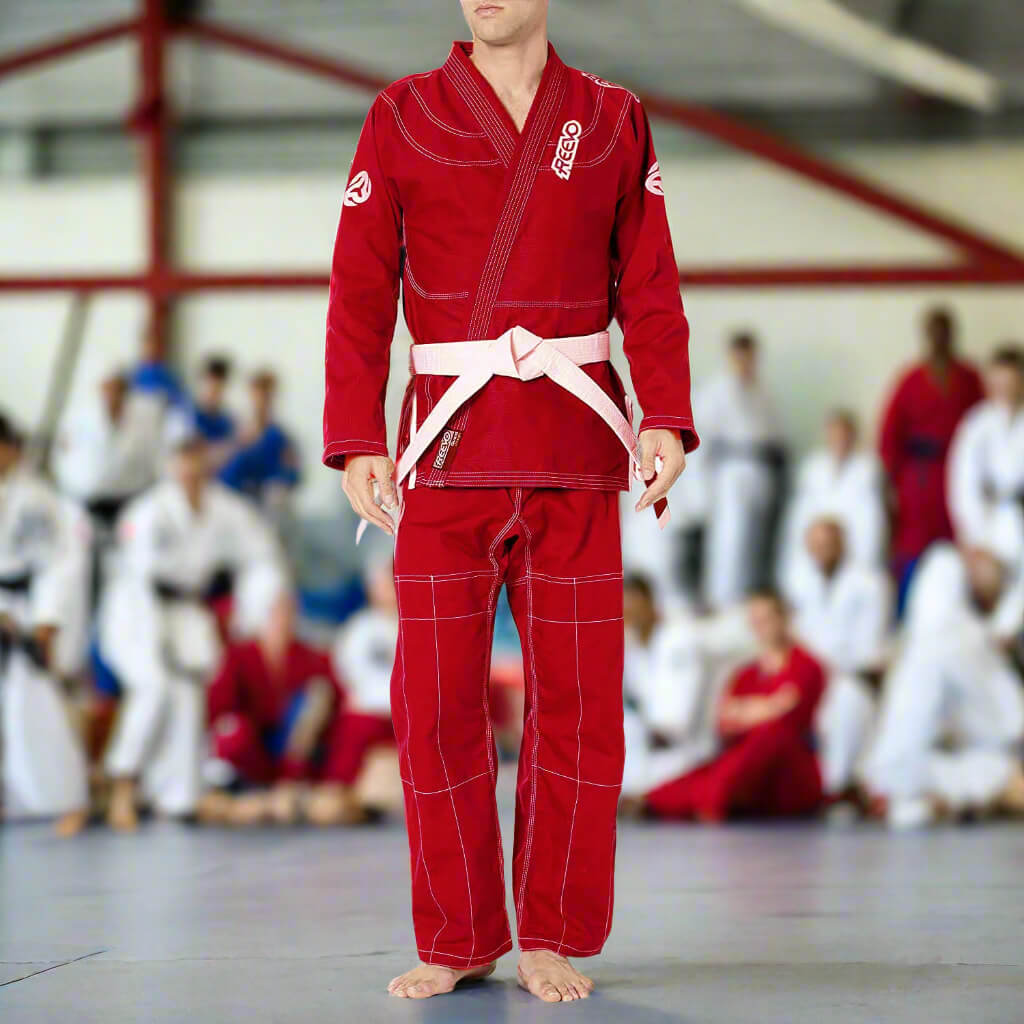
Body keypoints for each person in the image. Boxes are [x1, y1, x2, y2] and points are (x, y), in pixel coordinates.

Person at [324, 0, 696, 1002]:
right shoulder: (401, 114)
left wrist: (663, 410)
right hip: (443, 449)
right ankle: (458, 933)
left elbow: (649, 282)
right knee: (435, 705)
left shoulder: (613, 117)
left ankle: (551, 933)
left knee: (576, 708)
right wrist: (356, 433)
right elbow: (359, 287)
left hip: (574, 447)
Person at [98, 435, 283, 831]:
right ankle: (122, 783)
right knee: (154, 685)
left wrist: (251, 609)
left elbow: (263, 556)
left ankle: (176, 796)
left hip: (185, 610)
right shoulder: (147, 512)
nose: (189, 468)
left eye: (196, 458)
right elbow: (135, 578)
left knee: (188, 696)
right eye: (181, 459)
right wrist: (155, 643)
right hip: (135, 612)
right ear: (170, 464)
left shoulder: (225, 508)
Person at [863, 545, 1024, 828]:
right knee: (1004, 772)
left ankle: (925, 802)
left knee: (914, 804)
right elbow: (1010, 726)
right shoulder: (964, 639)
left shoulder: (912, 643)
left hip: (883, 771)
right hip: (910, 769)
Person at [644, 590, 826, 821]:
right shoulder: (746, 674)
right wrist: (768, 706)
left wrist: (746, 711)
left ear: (784, 618)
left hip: (788, 776)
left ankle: (711, 800)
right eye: (755, 620)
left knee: (768, 737)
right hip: (749, 775)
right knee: (709, 770)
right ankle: (652, 800)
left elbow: (787, 718)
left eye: (766, 619)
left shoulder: (807, 665)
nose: (760, 627)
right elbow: (725, 722)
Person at [204, 583, 362, 827]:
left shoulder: (312, 657)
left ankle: (290, 789)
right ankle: (259, 794)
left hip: (298, 754)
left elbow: (340, 702)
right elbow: (218, 707)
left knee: (318, 696)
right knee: (231, 729)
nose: (282, 618)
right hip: (254, 752)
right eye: (274, 611)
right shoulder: (238, 655)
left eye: (287, 610)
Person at [0, 412, 89, 836]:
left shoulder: (36, 499)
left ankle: (67, 798)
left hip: (23, 610)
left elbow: (58, 565)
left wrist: (45, 622)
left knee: (34, 704)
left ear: (12, 449)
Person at [879, 307, 984, 605]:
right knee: (914, 544)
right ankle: (906, 610)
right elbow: (889, 435)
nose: (939, 337)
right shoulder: (910, 378)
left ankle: (959, 608)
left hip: (960, 474)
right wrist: (893, 481)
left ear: (953, 334)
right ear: (925, 335)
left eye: (945, 330)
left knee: (960, 539)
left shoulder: (970, 377)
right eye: (933, 331)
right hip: (920, 478)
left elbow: (983, 424)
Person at [621, 574, 752, 800]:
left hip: (687, 753)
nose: (628, 611)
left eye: (633, 602)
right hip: (650, 749)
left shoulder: (679, 640)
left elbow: (674, 722)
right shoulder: (632, 647)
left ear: (649, 601)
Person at [784, 518, 888, 798]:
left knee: (844, 702)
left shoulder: (869, 584)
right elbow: (796, 637)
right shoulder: (801, 583)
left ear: (842, 544)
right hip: (811, 677)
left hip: (852, 679)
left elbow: (868, 650)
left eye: (828, 543)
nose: (822, 550)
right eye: (815, 544)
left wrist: (824, 663)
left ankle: (837, 788)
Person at [687, 332, 785, 610]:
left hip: (760, 468)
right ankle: (722, 599)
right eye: (740, 356)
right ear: (731, 356)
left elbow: (775, 436)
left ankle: (750, 600)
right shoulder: (715, 392)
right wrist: (700, 492)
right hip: (729, 472)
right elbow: (700, 442)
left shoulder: (763, 390)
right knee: (730, 539)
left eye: (750, 357)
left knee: (755, 540)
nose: (745, 363)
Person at [777, 408, 886, 593]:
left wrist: (858, 557)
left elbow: (871, 522)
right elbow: (800, 516)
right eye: (835, 434)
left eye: (844, 434)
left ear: (853, 436)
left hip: (850, 548)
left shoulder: (867, 469)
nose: (840, 440)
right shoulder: (813, 467)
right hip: (814, 545)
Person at [330, 557, 400, 815]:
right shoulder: (359, 628)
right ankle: (342, 793)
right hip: (369, 708)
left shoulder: (416, 623)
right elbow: (346, 672)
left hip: (404, 712)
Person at [947, 345, 1024, 566]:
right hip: (988, 528)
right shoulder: (976, 425)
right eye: (1000, 383)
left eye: (1012, 382)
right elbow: (963, 486)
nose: (1006, 389)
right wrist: (976, 540)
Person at [218, 370, 300, 526]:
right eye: (257, 396)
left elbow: (293, 476)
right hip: (238, 505)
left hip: (270, 509)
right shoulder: (236, 434)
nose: (260, 402)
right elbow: (225, 477)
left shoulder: (280, 438)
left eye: (266, 397)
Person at [166, 355, 237, 469]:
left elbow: (229, 455)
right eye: (210, 385)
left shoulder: (229, 422)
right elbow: (176, 453)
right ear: (201, 382)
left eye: (218, 387)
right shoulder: (182, 414)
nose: (213, 392)